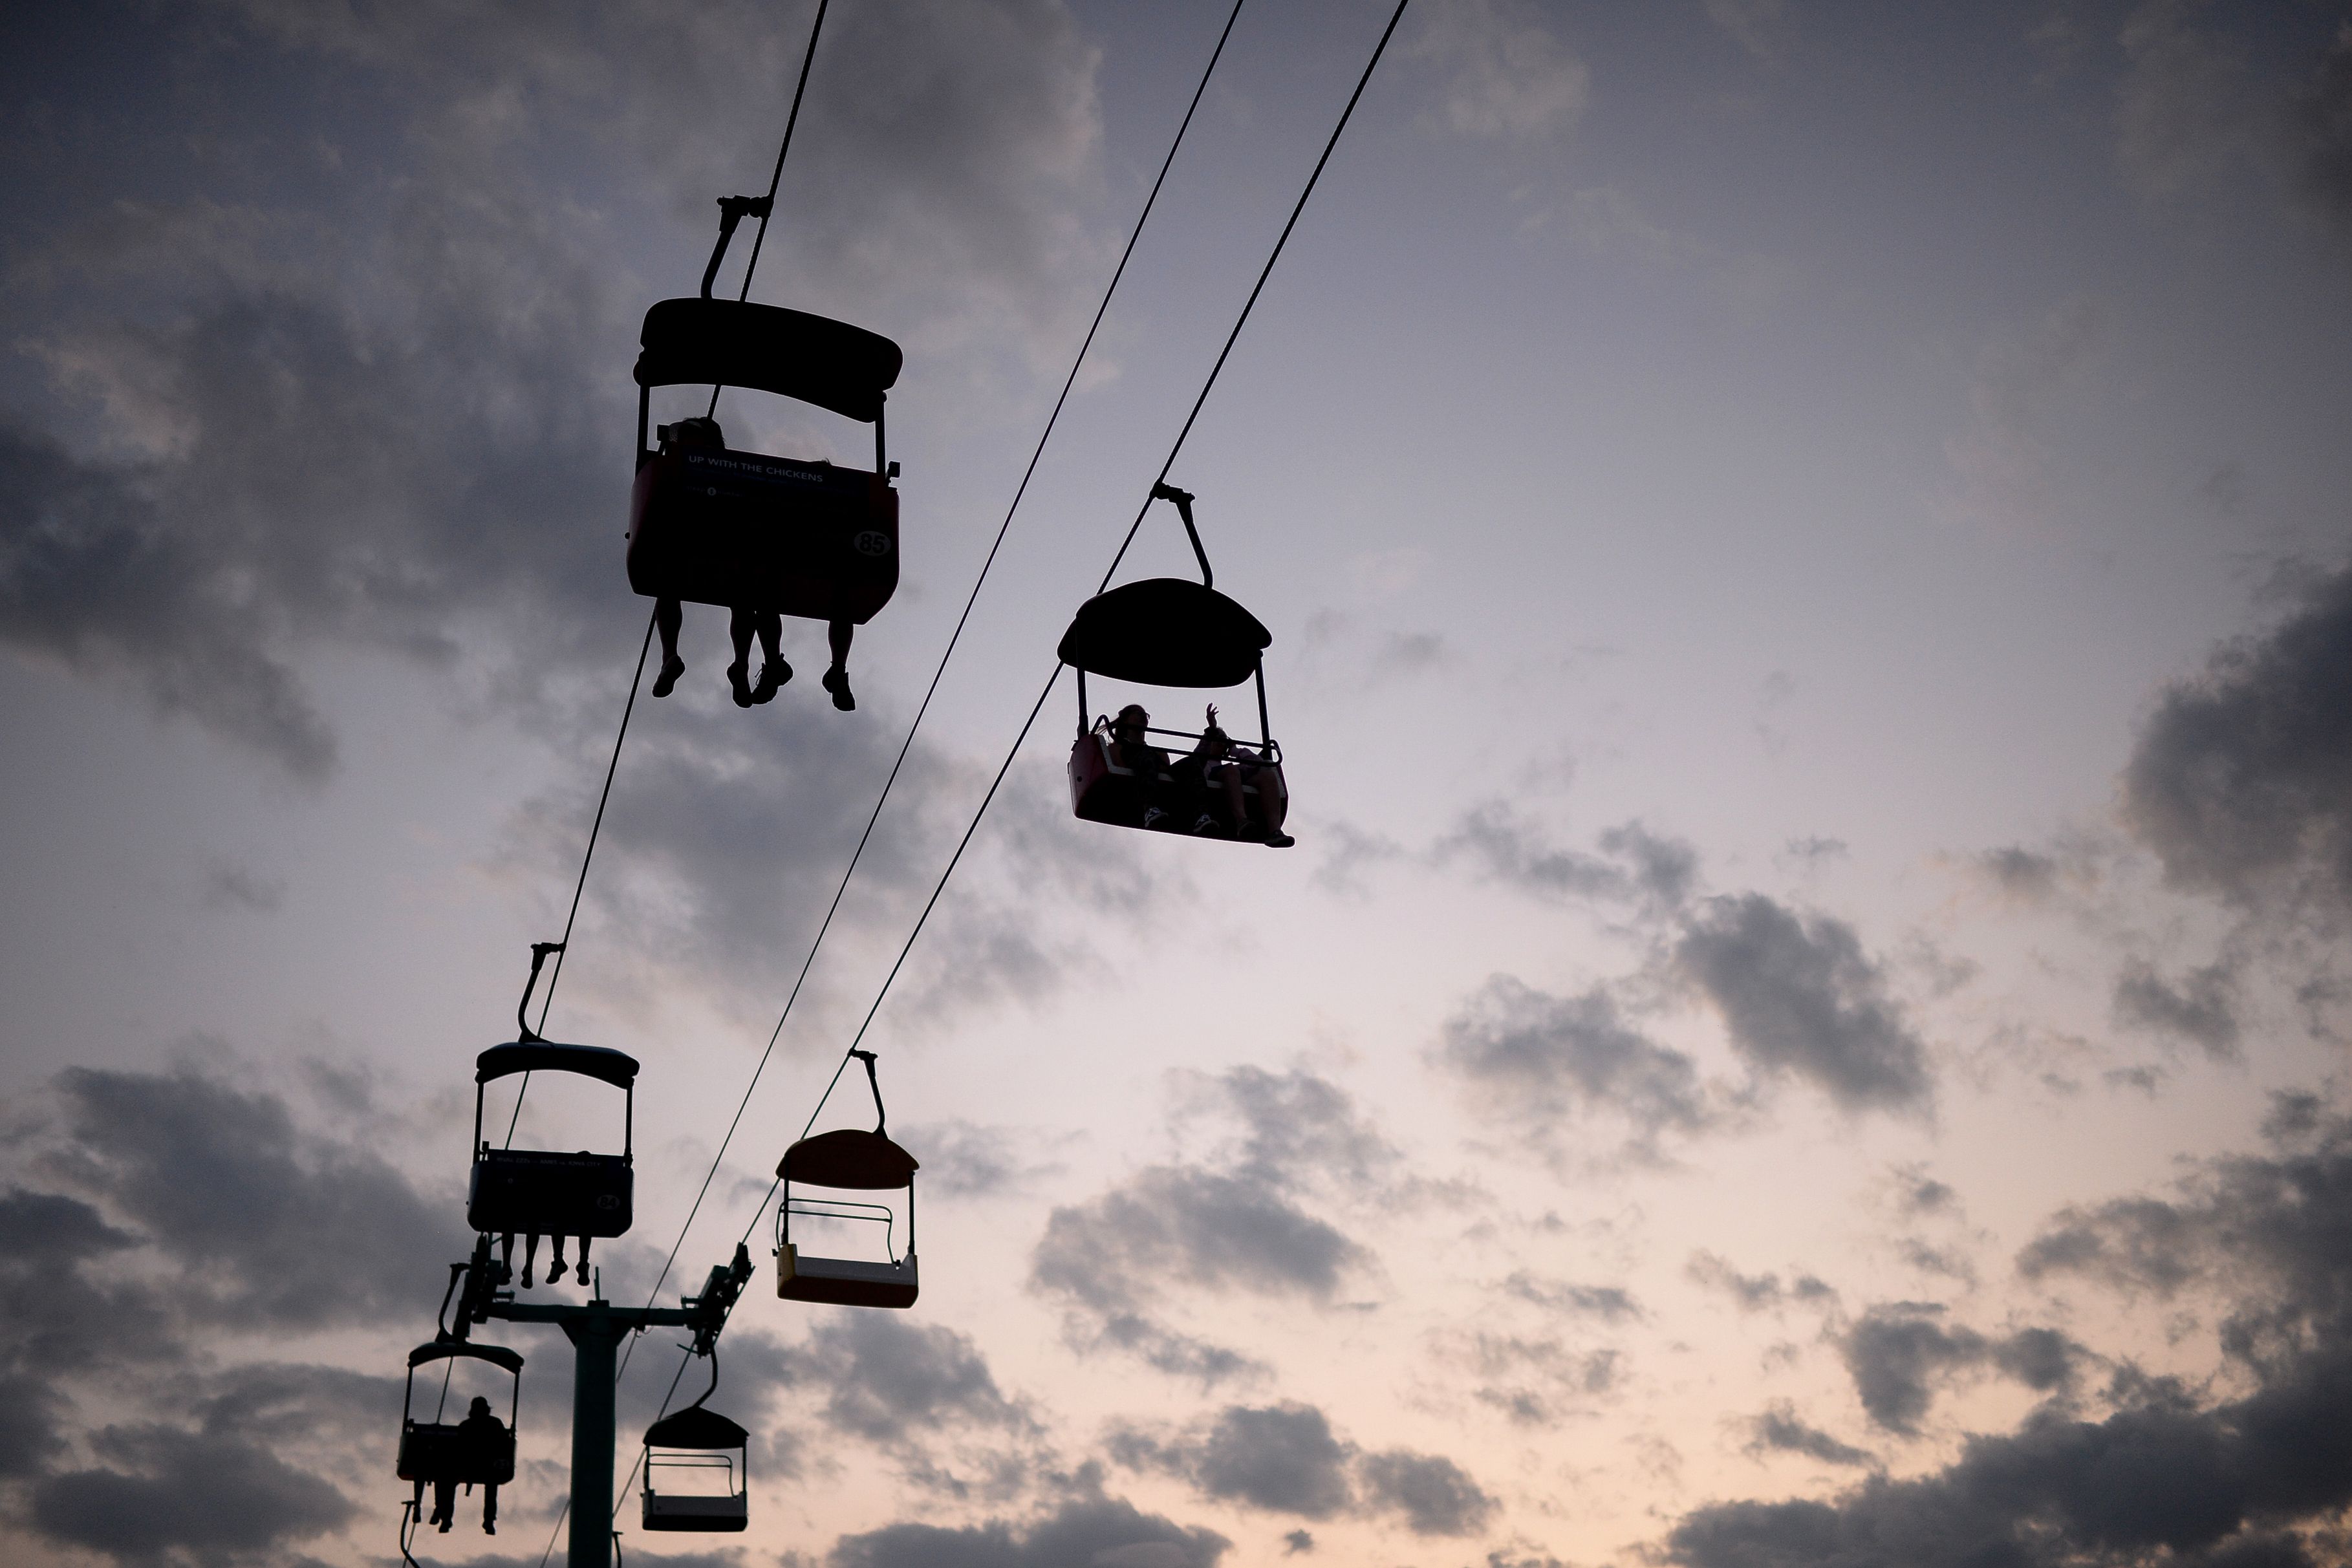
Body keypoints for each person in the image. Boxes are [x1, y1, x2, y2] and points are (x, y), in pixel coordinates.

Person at [1183, 705, 1293, 848]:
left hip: (1233, 780)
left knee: (1266, 775)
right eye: (1216, 740)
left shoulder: (1233, 766)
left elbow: (1258, 763)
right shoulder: (1202, 762)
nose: (1220, 743)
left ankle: (1275, 831)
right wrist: (1212, 729)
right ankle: (1242, 821)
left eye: (1223, 741)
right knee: (1231, 771)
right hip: (1209, 784)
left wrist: (1235, 750)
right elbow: (1200, 751)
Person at [444, 1396, 506, 1535]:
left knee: (449, 1484)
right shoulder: (495, 1424)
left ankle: (447, 1518)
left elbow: (457, 1447)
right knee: (491, 1488)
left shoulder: (466, 1425)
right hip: (487, 1467)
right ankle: (489, 1521)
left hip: (467, 1466)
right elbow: (503, 1443)